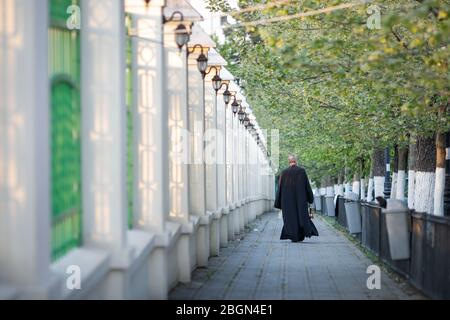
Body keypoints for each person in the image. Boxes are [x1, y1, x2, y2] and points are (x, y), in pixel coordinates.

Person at [274, 154, 319, 242]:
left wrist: (278, 202)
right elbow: (307, 186)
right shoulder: (301, 171)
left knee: (290, 218)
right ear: (296, 161)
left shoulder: (284, 173)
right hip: (300, 200)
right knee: (300, 217)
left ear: (289, 162)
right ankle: (300, 235)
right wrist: (310, 198)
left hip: (287, 201)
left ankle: (293, 236)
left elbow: (280, 188)